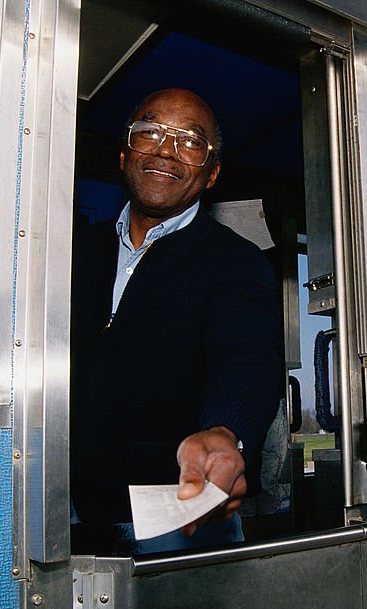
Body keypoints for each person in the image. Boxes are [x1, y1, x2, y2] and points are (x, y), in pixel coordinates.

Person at [70, 88, 282, 555]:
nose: (166, 149)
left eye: (191, 141)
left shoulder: (237, 262)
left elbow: (248, 360)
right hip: (63, 515)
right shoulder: (71, 252)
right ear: (126, 151)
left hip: (180, 520)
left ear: (212, 175)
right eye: (151, 132)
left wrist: (226, 431)